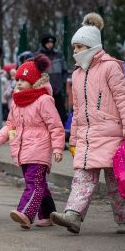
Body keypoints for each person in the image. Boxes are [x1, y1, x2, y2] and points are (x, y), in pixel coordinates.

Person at [50, 13, 125, 234]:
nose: (75, 52)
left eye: (79, 47)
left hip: (112, 134)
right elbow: (77, 110)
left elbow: (122, 99)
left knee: (116, 184)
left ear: (92, 46)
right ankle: (73, 215)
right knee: (82, 180)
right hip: (87, 137)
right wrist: (73, 139)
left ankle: (123, 219)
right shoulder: (78, 73)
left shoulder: (110, 67)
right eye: (74, 48)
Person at [0, 54, 65, 229]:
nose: (19, 83)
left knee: (33, 182)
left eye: (23, 80)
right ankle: (47, 215)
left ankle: (26, 213)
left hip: (39, 149)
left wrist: (58, 148)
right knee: (39, 183)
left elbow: (55, 126)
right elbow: (10, 125)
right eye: (17, 80)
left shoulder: (44, 100)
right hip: (23, 149)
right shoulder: (17, 102)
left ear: (34, 81)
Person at [36, 33, 69, 124]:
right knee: (45, 112)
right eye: (47, 42)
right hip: (44, 89)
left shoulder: (59, 54)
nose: (50, 44)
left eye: (52, 42)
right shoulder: (38, 56)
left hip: (57, 88)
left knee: (61, 113)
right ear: (44, 43)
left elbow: (64, 70)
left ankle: (63, 131)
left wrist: (61, 83)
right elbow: (36, 72)